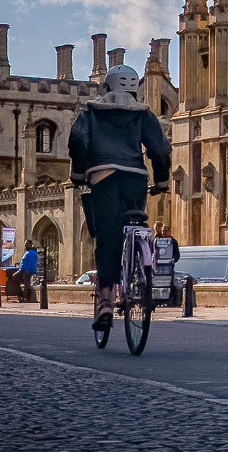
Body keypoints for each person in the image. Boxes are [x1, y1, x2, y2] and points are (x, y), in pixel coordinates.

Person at [68, 64, 171, 331]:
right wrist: (161, 180)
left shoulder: (92, 112)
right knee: (136, 224)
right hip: (136, 179)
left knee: (109, 239)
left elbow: (78, 141)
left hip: (103, 179)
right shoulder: (143, 114)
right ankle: (140, 268)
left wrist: (78, 174)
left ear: (107, 86)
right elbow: (159, 148)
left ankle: (105, 301)